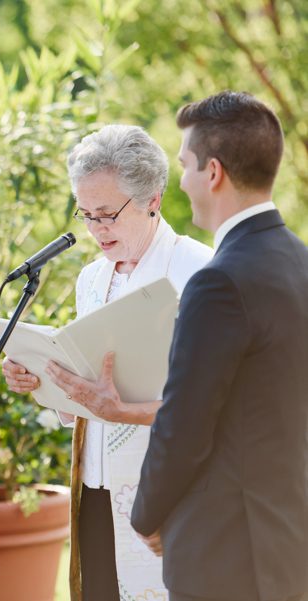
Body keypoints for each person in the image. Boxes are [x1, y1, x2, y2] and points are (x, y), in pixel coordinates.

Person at [1, 125, 212, 601]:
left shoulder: (199, 270)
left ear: (152, 199)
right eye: (86, 214)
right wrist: (41, 376)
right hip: (95, 483)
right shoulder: (92, 279)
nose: (96, 229)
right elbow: (90, 380)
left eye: (108, 215)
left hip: (169, 488)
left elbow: (217, 398)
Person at [130, 92, 308, 601]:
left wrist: (147, 514)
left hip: (225, 549)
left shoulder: (220, 281)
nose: (181, 179)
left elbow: (185, 422)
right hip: (289, 539)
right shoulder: (299, 260)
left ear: (213, 173)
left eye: (184, 164)